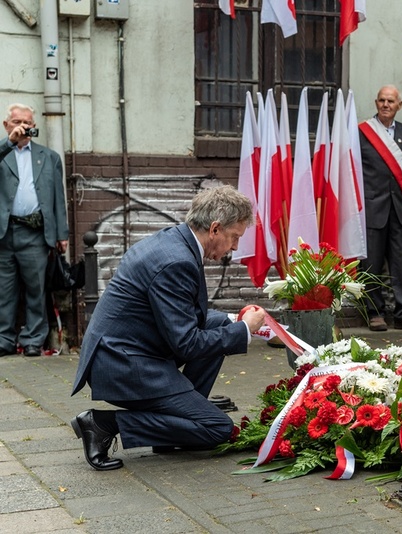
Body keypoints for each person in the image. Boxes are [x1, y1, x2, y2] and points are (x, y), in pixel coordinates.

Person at [70, 185, 267, 471]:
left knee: (220, 323)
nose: (235, 247)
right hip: (122, 365)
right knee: (218, 429)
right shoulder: (177, 261)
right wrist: (244, 331)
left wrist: (233, 321)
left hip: (128, 348)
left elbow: (183, 316)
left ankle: (177, 424)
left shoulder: (176, 241)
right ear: (214, 229)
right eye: (234, 237)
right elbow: (186, 344)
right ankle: (102, 424)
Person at [0, 104, 68, 357]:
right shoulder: (2, 151)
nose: (24, 126)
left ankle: (32, 340)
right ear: (6, 124)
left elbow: (58, 198)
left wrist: (62, 234)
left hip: (35, 233)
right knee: (4, 291)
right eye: (18, 121)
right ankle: (4, 339)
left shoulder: (48, 157)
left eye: (28, 122)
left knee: (35, 289)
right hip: (4, 233)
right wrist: (9, 143)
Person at [358, 85, 402, 332]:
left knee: (401, 264)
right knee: (371, 264)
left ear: (399, 106)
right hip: (372, 208)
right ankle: (375, 313)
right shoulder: (362, 133)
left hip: (400, 208)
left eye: (391, 101)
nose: (386, 105)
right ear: (376, 103)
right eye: (382, 100)